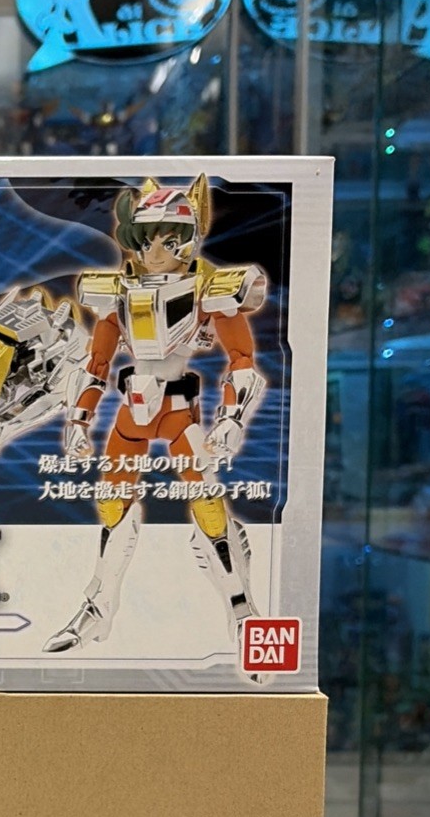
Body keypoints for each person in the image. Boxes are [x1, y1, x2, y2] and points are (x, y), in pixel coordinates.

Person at [45, 176, 268, 658]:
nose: (155, 251)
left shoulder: (209, 288)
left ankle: (241, 609)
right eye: (146, 240)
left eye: (168, 239)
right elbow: (97, 363)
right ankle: (99, 608)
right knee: (112, 506)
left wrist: (231, 417)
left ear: (188, 240)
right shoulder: (117, 290)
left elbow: (241, 361)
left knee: (207, 504)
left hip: (178, 412)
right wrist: (79, 421)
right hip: (132, 411)